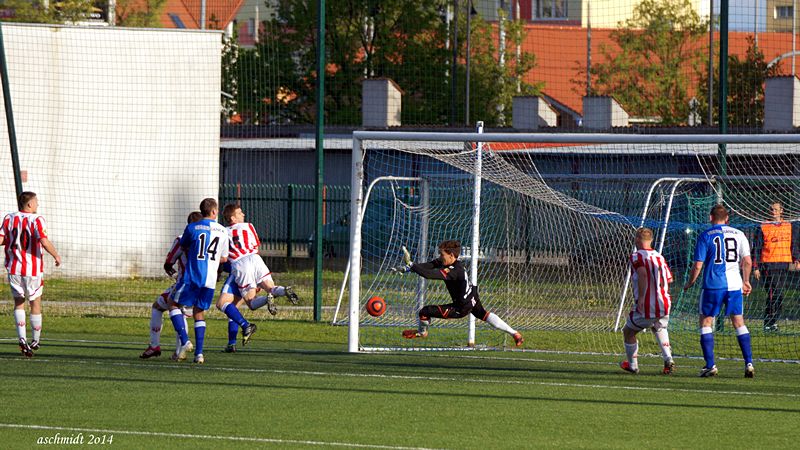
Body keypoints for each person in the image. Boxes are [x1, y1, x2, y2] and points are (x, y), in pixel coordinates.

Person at [394, 240, 524, 346]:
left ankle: (422, 333)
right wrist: (407, 268)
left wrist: (411, 264)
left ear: (451, 255)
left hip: (461, 307)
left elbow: (428, 274)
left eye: (442, 254)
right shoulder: (447, 262)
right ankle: (514, 333)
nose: (440, 257)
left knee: (425, 311)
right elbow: (428, 266)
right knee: (483, 314)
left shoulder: (455, 270)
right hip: (472, 295)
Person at [684, 204, 755, 378]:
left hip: (713, 285)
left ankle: (710, 365)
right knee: (739, 323)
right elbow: (747, 261)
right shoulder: (739, 234)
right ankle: (749, 363)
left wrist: (690, 282)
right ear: (727, 218)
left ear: (710, 218)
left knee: (706, 323)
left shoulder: (705, 235)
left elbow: (698, 265)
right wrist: (746, 281)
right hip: (734, 285)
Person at [214, 203, 298, 348]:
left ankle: (248, 323)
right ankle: (283, 291)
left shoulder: (223, 232)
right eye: (240, 213)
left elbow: (224, 257)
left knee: (249, 303)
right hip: (255, 259)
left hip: (239, 265)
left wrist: (218, 271)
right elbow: (256, 246)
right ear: (232, 218)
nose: (243, 214)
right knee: (270, 287)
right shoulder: (249, 226)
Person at [168, 198, 229, 364]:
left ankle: (185, 340)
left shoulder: (192, 227)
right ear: (214, 211)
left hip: (193, 276)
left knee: (172, 303)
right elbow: (224, 257)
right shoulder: (223, 231)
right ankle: (199, 354)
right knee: (199, 312)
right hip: (210, 280)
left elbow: (184, 246)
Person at [0, 192, 62, 358]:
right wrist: (56, 255)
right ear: (29, 204)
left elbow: (1, 239)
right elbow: (43, 240)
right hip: (32, 270)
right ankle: (35, 340)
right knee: (35, 302)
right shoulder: (37, 219)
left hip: (14, 268)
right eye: (36, 202)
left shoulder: (9, 218)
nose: (38, 205)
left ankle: (22, 339)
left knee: (19, 302)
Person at [139, 211, 202, 360]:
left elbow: (168, 264)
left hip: (185, 283)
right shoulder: (210, 238)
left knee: (159, 306)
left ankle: (155, 345)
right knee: (187, 314)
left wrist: (175, 275)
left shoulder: (182, 239)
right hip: (204, 285)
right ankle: (189, 352)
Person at [619, 228, 675, 375]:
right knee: (659, 327)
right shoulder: (659, 257)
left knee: (628, 331)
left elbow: (643, 274)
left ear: (637, 239)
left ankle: (633, 365)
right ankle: (668, 359)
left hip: (648, 304)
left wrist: (643, 298)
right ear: (651, 240)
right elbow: (669, 279)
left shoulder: (637, 256)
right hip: (664, 302)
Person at [751, 201, 800, 332]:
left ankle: (772, 322)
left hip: (783, 263)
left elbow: (793, 244)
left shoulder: (789, 226)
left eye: (776, 209)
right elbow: (756, 248)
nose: (774, 212)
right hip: (768, 264)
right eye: (772, 209)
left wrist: (796, 259)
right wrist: (755, 267)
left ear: (782, 211)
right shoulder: (763, 226)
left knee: (779, 294)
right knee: (774, 293)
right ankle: (769, 322)